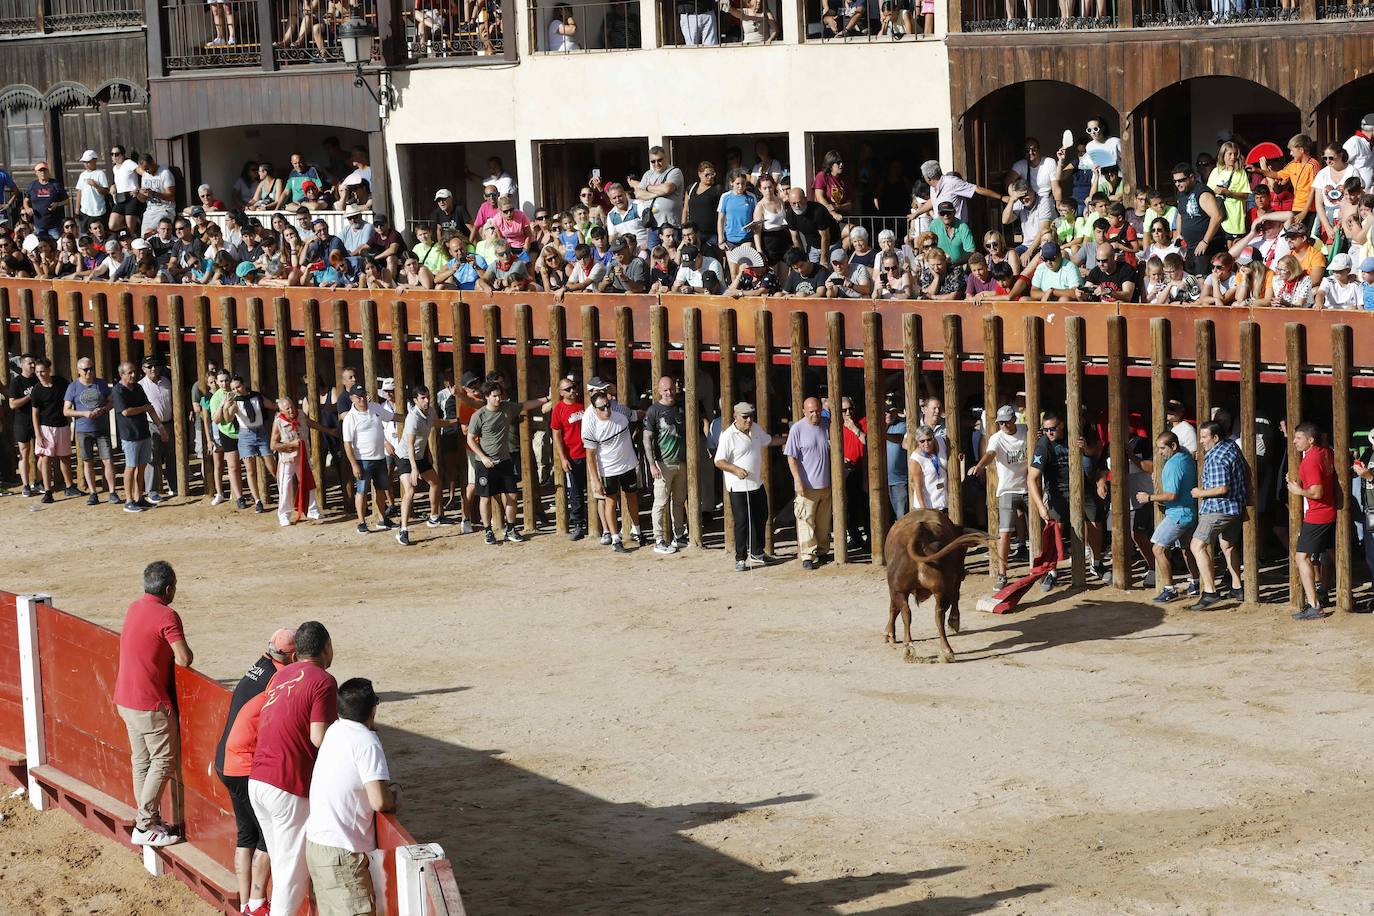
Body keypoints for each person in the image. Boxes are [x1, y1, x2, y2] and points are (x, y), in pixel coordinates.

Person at [249, 621, 337, 916]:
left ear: (297, 651)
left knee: (282, 862)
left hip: (257, 779)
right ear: (327, 648)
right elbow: (318, 737)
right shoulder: (323, 681)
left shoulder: (279, 676)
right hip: (287, 782)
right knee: (292, 873)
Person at [215, 629, 298, 916]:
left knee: (246, 834)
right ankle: (257, 903)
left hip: (225, 758)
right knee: (267, 834)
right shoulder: (278, 677)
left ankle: (244, 904)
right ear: (293, 655)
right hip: (243, 765)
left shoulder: (258, 665)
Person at [304, 677, 400, 916]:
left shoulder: (334, 731)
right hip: (342, 853)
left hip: (318, 847)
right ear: (373, 709)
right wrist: (395, 796)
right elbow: (379, 801)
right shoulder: (366, 741)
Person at [113, 561, 192, 848]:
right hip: (149, 704)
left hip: (125, 698)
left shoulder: (134, 607)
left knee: (141, 760)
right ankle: (145, 824)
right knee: (162, 760)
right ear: (169, 589)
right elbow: (184, 658)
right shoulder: (167, 615)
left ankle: (149, 820)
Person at [467, 379, 547, 544]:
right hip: (484, 463)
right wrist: (482, 457)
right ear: (487, 397)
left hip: (504, 460)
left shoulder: (507, 408)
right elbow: (470, 439)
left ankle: (510, 529)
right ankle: (488, 530)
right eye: (495, 396)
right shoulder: (479, 415)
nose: (498, 399)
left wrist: (546, 398)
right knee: (485, 497)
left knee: (512, 494)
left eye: (499, 396)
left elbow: (526, 405)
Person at [714, 402, 785, 571]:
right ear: (735, 416)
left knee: (762, 516)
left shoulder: (756, 429)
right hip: (738, 487)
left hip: (756, 483)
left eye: (751, 416)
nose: (749, 420)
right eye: (745, 417)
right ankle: (740, 558)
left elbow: (769, 440)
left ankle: (757, 552)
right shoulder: (728, 436)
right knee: (742, 522)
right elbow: (718, 461)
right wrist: (735, 469)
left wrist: (788, 439)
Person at [1188, 420, 1248, 611]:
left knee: (1197, 545)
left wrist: (1199, 493)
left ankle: (1210, 591)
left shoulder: (1215, 458)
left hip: (1218, 508)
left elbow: (1222, 488)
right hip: (1235, 507)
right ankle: (1237, 587)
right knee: (1227, 546)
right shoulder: (1231, 446)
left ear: (1215, 437)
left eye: (1205, 437)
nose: (1201, 441)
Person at [967, 405, 1028, 588]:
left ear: (1014, 420)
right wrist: (980, 466)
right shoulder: (996, 438)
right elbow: (990, 454)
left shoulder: (1026, 430)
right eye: (1000, 423)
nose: (1004, 425)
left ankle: (1042, 569)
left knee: (1038, 528)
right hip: (1007, 489)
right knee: (1005, 532)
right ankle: (1002, 574)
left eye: (1007, 421)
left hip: (1028, 487)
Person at [1137, 431, 1200, 604]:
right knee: (1187, 549)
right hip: (1188, 512)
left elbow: (1171, 495)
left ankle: (1169, 589)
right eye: (1158, 448)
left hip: (1178, 514)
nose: (1160, 452)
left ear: (1173, 446)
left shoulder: (1173, 464)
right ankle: (1196, 583)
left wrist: (1149, 498)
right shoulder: (1185, 457)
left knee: (1158, 549)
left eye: (1163, 448)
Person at [396, 384, 463, 546]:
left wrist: (455, 421)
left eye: (427, 397)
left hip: (419, 456)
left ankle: (433, 518)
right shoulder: (413, 417)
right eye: (422, 398)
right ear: (415, 400)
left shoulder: (430, 410)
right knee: (410, 491)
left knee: (436, 483)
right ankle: (403, 530)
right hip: (406, 457)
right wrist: (413, 468)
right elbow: (410, 445)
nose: (426, 400)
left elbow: (436, 423)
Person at [581, 385, 641, 554]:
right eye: (602, 407)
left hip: (628, 465)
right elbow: (590, 456)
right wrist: (595, 479)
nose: (607, 409)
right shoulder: (592, 425)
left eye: (608, 405)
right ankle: (615, 538)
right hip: (608, 470)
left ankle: (637, 530)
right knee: (610, 502)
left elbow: (636, 415)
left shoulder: (621, 415)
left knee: (632, 497)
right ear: (595, 409)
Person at [1288, 422, 1335, 620]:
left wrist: (1299, 491)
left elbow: (1317, 491)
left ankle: (1315, 605)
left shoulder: (1310, 460)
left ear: (1310, 440)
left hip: (1318, 514)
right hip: (1329, 512)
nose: (1294, 441)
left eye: (1298, 438)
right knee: (1331, 555)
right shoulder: (1325, 452)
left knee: (1301, 558)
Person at [111, 361, 167, 513]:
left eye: (134, 372)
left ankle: (139, 497)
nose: (133, 375)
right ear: (121, 375)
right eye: (129, 372)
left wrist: (160, 427)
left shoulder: (138, 387)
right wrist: (144, 408)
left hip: (144, 432)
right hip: (130, 435)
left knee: (141, 467)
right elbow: (126, 412)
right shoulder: (118, 391)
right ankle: (128, 501)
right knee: (130, 467)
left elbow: (150, 408)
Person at [65, 357, 119, 506]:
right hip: (83, 429)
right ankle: (93, 493)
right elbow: (66, 411)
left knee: (107, 460)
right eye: (85, 370)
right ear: (78, 371)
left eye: (91, 369)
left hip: (101, 428)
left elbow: (111, 401)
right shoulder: (73, 387)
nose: (89, 372)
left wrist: (103, 409)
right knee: (87, 462)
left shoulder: (101, 383)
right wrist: (84, 413)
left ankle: (112, 492)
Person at [644, 376, 689, 554]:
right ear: (658, 390)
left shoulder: (682, 407)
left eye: (671, 389)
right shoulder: (653, 410)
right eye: (665, 390)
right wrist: (652, 464)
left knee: (678, 501)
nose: (669, 392)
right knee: (660, 502)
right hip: (663, 464)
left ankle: (679, 535)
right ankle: (659, 539)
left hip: (682, 462)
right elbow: (647, 438)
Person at [785, 397, 832, 570]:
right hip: (807, 485)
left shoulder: (827, 424)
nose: (815, 414)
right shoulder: (797, 429)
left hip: (826, 484)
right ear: (804, 411)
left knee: (823, 522)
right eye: (811, 411)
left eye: (818, 410)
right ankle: (807, 555)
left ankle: (822, 550)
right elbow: (791, 457)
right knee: (806, 520)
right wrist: (798, 481)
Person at [342, 384, 394, 535]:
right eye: (358, 396)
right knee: (362, 491)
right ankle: (361, 522)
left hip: (379, 457)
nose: (362, 399)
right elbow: (347, 444)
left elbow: (391, 417)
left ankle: (382, 519)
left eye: (363, 395)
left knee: (380, 489)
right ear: (352, 398)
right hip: (362, 459)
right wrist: (353, 464)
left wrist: (410, 417)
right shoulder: (350, 417)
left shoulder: (375, 408)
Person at [270, 395, 330, 527]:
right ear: (282, 411)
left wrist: (329, 431)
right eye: (287, 409)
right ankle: (284, 515)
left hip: (303, 456)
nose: (291, 410)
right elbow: (273, 445)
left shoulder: (301, 415)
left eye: (292, 407)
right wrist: (290, 445)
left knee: (308, 482)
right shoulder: (278, 422)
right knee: (285, 487)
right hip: (288, 460)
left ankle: (312, 510)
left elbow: (311, 424)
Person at [30, 357, 78, 501]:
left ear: (49, 370)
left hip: (62, 425)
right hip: (45, 428)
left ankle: (69, 486)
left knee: (65, 457)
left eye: (42, 371)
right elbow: (35, 413)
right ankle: (47, 491)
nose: (40, 374)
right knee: (46, 459)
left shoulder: (61, 383)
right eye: (37, 372)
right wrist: (38, 434)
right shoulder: (36, 390)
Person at [551, 375, 589, 541]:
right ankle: (579, 524)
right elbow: (557, 435)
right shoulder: (558, 409)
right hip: (574, 456)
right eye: (568, 389)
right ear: (561, 393)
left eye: (574, 387)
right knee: (576, 492)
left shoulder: (584, 403)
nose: (573, 391)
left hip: (590, 453)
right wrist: (563, 458)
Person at [139, 356, 175, 500]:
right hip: (151, 425)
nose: (153, 369)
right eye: (149, 366)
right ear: (143, 369)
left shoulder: (167, 381)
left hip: (169, 423)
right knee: (152, 458)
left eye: (155, 365)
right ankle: (152, 491)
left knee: (171, 456)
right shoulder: (141, 385)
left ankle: (174, 485)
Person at [8, 353, 38, 498]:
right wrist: (28, 397)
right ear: (22, 365)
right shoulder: (17, 382)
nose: (32, 365)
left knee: (41, 453)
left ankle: (38, 482)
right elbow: (12, 404)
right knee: (24, 454)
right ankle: (26, 485)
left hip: (39, 421)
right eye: (29, 363)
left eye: (33, 363)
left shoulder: (39, 379)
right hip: (22, 422)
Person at [907, 423, 948, 514]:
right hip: (929, 507)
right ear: (918, 442)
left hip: (943, 502)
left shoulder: (941, 442)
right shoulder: (916, 459)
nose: (926, 444)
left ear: (933, 438)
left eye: (929, 440)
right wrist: (924, 510)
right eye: (922, 441)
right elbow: (918, 487)